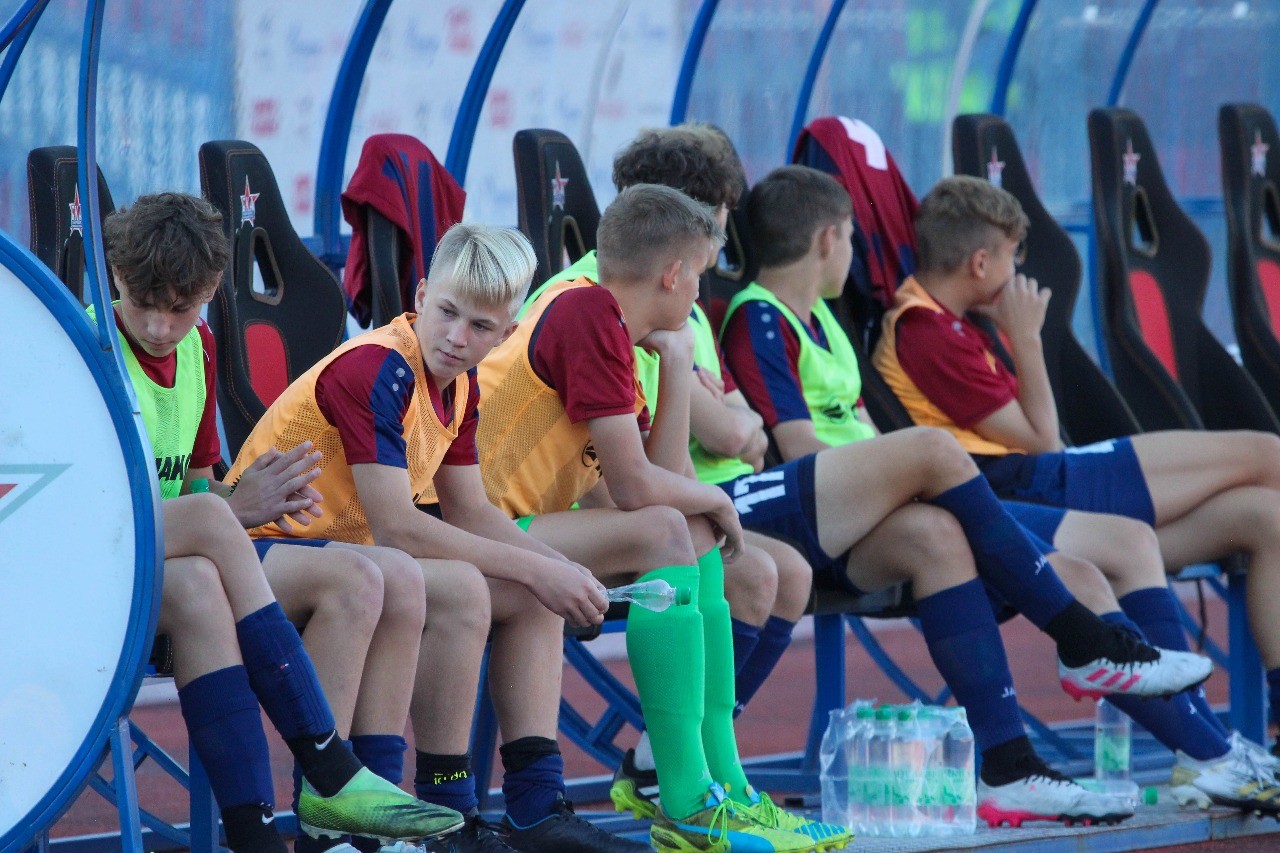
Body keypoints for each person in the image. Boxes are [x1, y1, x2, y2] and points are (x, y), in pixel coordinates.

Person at [719, 165, 1277, 822]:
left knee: (1104, 555)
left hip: (895, 501)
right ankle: (1089, 650)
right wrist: (1024, 342)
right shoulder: (764, 319)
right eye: (850, 237)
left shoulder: (824, 322)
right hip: (843, 510)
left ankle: (1197, 750)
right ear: (829, 238)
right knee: (939, 462)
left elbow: (859, 433)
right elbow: (806, 453)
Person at [228, 222, 647, 853]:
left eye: (480, 327)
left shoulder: (461, 383)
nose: (457, 337)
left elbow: (470, 510)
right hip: (261, 554)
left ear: (506, 333)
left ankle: (484, 810)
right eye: (447, 312)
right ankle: (345, 820)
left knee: (519, 591)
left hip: (347, 558)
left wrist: (557, 571)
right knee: (444, 580)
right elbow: (397, 526)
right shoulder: (378, 367)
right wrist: (540, 567)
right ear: (421, 295)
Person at [472, 183, 847, 852]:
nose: (699, 295)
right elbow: (637, 487)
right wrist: (718, 500)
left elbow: (655, 483)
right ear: (673, 274)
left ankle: (722, 785)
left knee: (687, 529)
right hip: (472, 527)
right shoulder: (588, 312)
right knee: (681, 524)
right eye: (699, 276)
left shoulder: (615, 328)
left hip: (516, 524)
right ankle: (687, 797)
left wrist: (677, 363)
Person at [96, 192, 463, 852]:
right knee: (212, 528)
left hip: (176, 565)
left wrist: (239, 500)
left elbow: (198, 487)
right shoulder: (86, 346)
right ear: (115, 275)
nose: (158, 325)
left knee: (363, 578)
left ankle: (297, 829)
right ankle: (329, 767)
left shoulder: (200, 346)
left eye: (179, 308)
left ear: (211, 289)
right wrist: (232, 508)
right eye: (143, 302)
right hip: (96, 557)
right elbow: (102, 512)